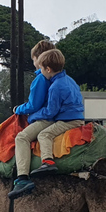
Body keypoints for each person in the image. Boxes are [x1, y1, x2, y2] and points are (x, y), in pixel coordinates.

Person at [8, 49, 85, 199]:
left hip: (69, 120)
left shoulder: (55, 86)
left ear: (48, 69)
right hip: (73, 116)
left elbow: (50, 112)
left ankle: (31, 172)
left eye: (41, 68)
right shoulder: (69, 80)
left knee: (37, 135)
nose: (39, 71)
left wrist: (31, 117)